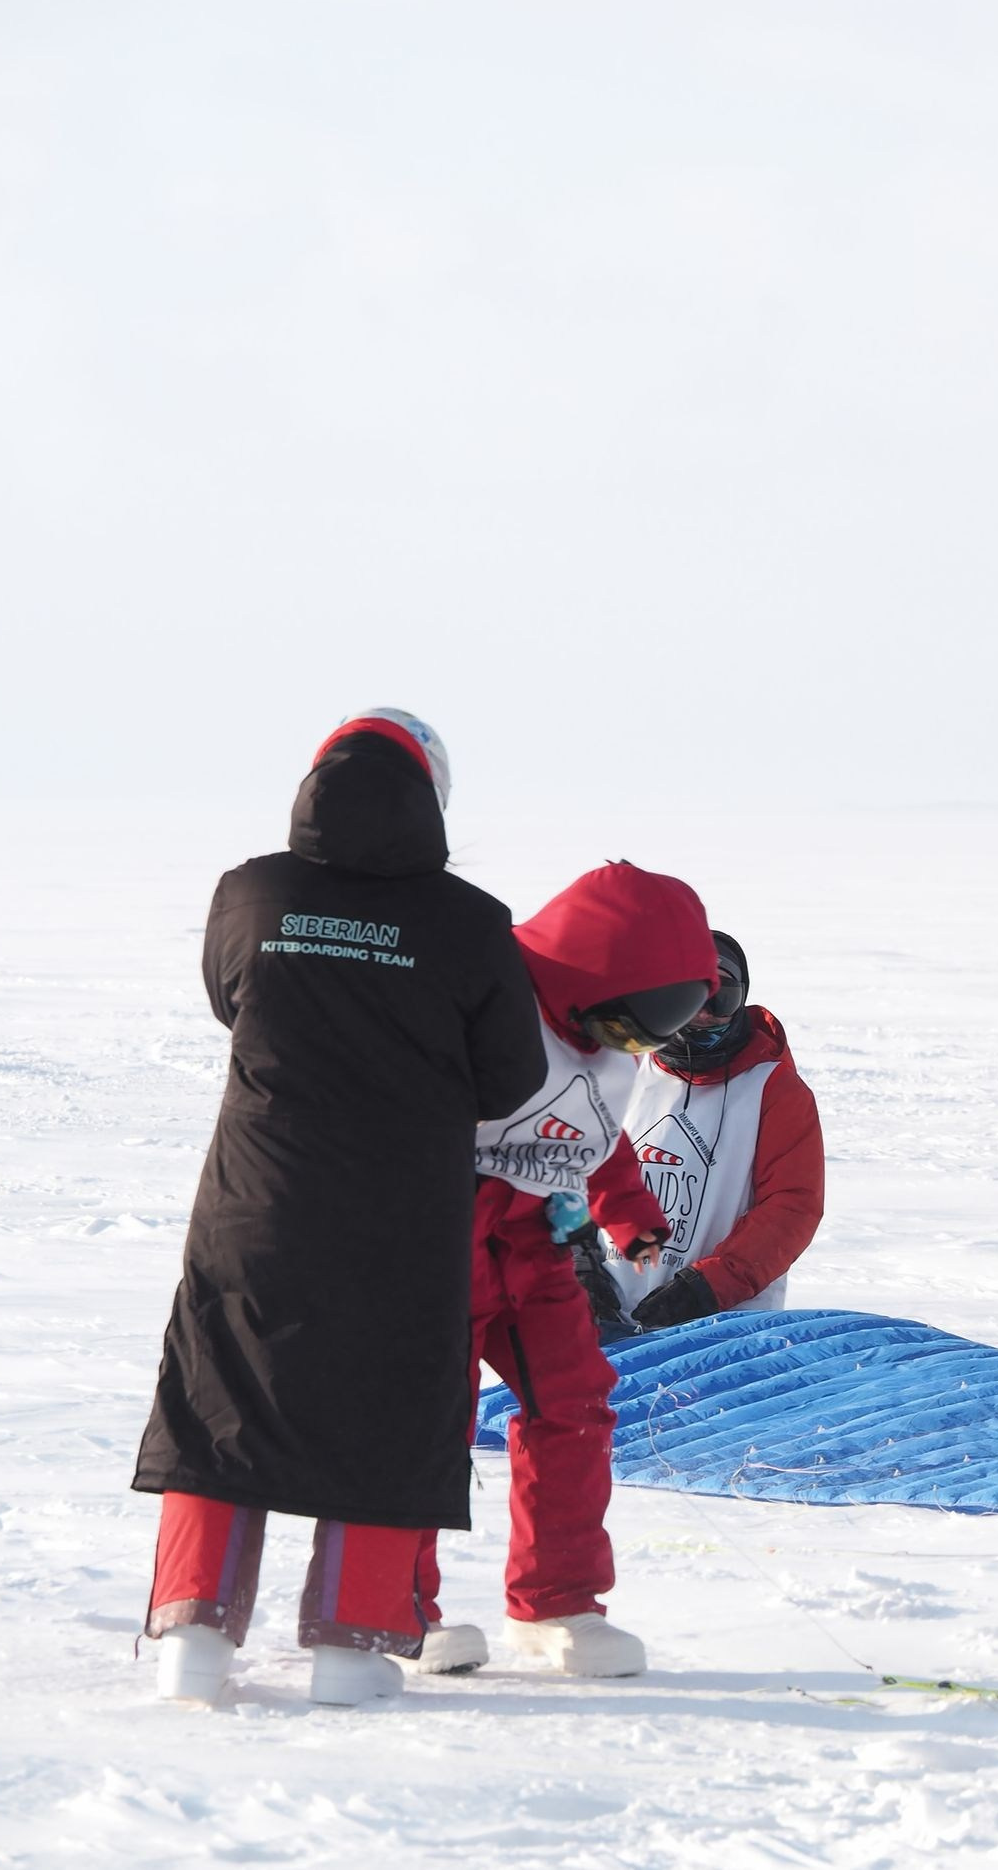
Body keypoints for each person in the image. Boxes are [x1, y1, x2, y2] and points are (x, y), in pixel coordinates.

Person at [133, 708, 545, 1708]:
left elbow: (232, 1000)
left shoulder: (251, 893)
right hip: (399, 1219)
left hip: (256, 1202)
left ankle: (193, 1640)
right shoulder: (470, 923)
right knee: (386, 1411)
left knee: (223, 1398)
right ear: (433, 797)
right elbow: (511, 1077)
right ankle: (353, 1652)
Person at [412, 861, 716, 1679]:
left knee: (576, 1400)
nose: (634, 1051)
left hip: (538, 1248)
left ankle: (558, 1603)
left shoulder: (604, 1053)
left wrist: (634, 1218)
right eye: (629, 1030)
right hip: (441, 1238)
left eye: (650, 1039)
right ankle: (397, 1602)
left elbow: (593, 1131)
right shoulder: (486, 1002)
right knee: (422, 1419)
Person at [575, 931, 825, 1337]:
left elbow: (791, 1208)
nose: (703, 1014)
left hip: (720, 1325)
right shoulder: (620, 1068)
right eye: (689, 997)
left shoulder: (774, 1089)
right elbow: (566, 1177)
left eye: (721, 999)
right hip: (605, 1314)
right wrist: (579, 1267)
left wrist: (707, 1288)